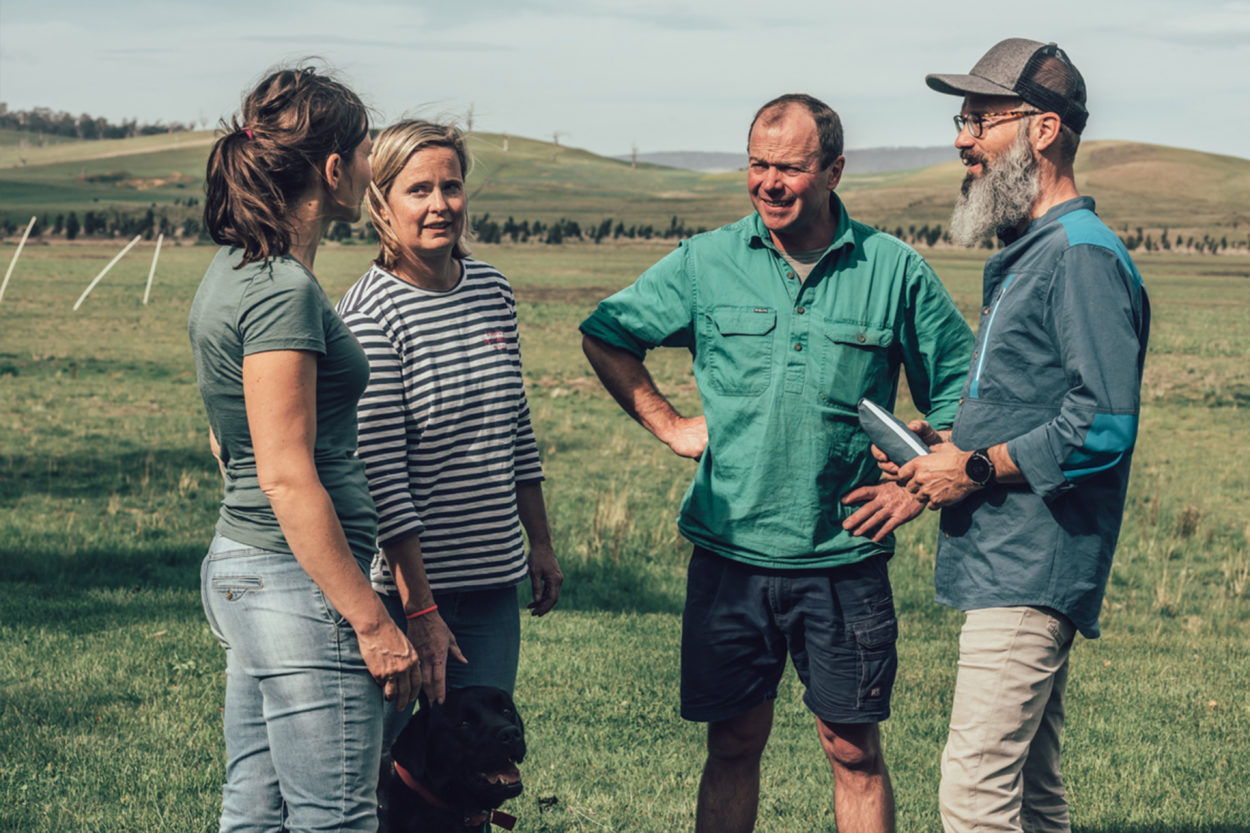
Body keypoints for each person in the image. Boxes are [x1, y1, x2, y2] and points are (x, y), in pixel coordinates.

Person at [579, 94, 974, 833]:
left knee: (851, 746)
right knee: (731, 741)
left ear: (833, 170)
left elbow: (960, 384)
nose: (769, 182)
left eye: (789, 167)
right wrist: (668, 424)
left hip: (844, 555)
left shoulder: (893, 271)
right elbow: (607, 333)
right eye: (758, 164)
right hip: (732, 554)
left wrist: (922, 481)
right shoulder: (707, 260)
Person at [891, 39, 1150, 833]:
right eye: (960, 119)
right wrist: (944, 441)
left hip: (1034, 564)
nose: (962, 138)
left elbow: (1101, 423)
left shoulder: (1079, 256)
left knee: (973, 794)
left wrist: (970, 466)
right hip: (1010, 556)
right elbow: (1037, 401)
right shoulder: (1032, 250)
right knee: (1032, 794)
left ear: (1042, 130)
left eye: (979, 118)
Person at [189, 66, 420, 833]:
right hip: (298, 584)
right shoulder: (282, 287)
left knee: (253, 810)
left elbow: (228, 442)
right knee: (336, 817)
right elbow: (287, 475)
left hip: (249, 568)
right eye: (362, 155)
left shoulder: (232, 271)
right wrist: (372, 620)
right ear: (330, 169)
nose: (369, 171)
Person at [335, 120, 562, 731]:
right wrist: (421, 607)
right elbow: (378, 472)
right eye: (418, 190)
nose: (440, 205)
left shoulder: (492, 290)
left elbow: (516, 427)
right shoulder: (368, 315)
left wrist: (538, 543)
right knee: (387, 771)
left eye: (452, 186)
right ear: (381, 203)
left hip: (492, 581)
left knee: (475, 766)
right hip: (404, 593)